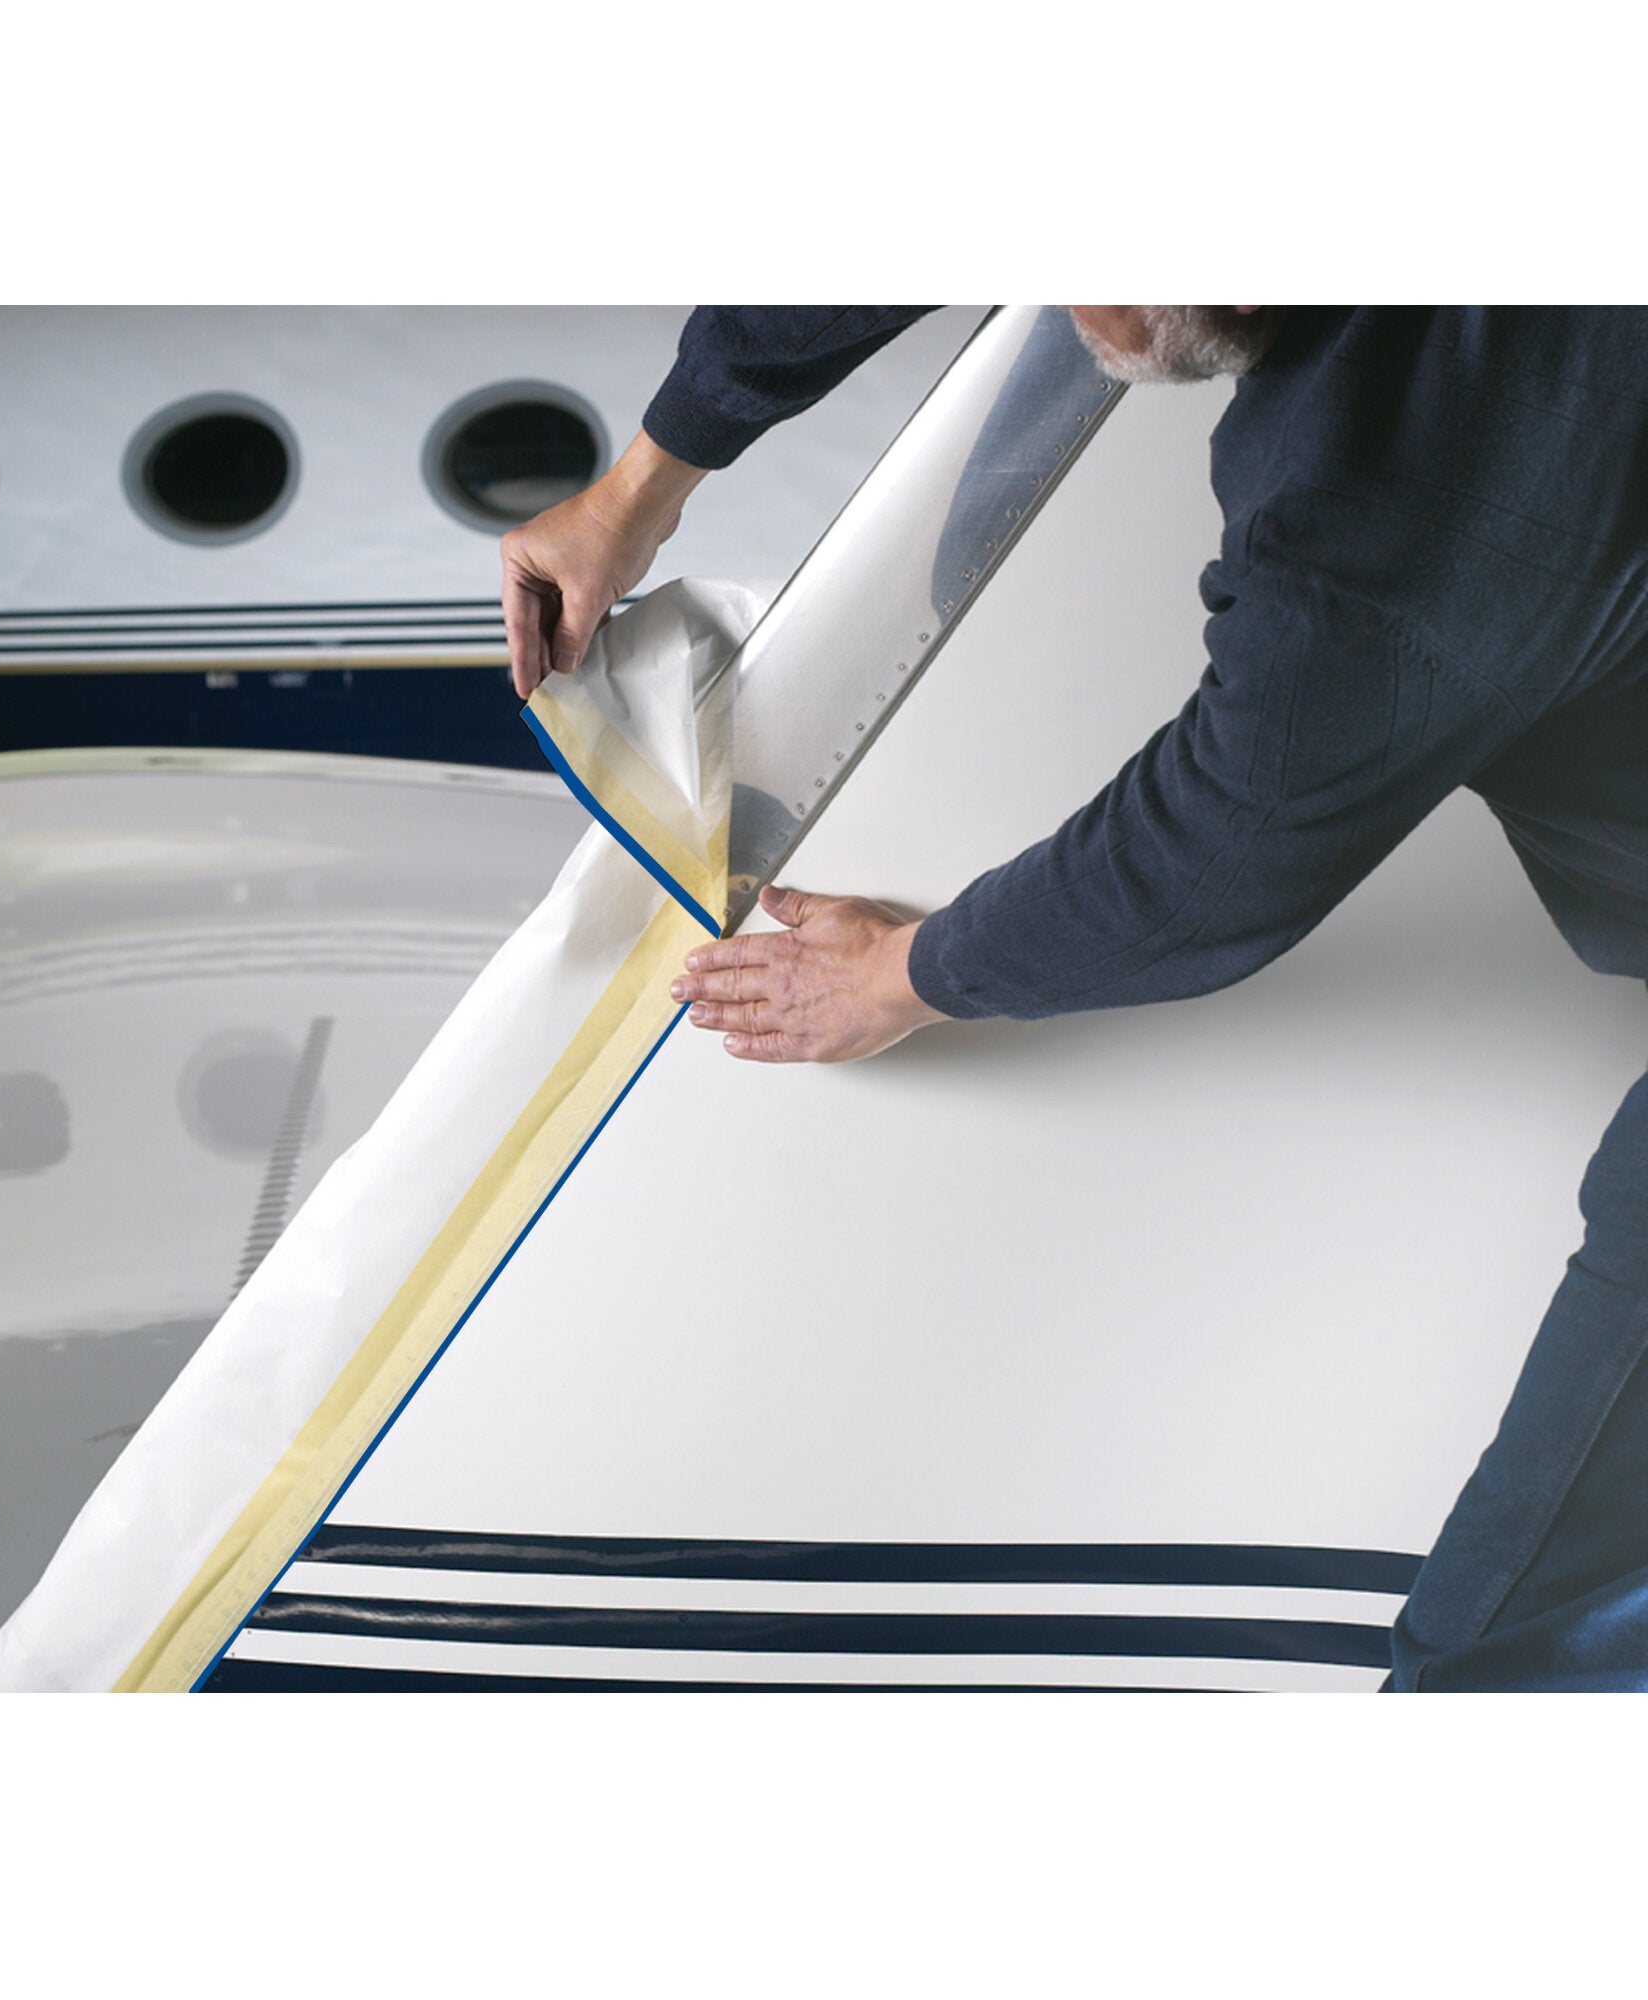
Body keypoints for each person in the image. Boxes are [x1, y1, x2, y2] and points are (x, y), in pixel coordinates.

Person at [499, 305, 1648, 1691]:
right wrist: (644, 481)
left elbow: (1218, 849)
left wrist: (902, 974)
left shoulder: (1397, 507)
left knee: (1521, 1640)